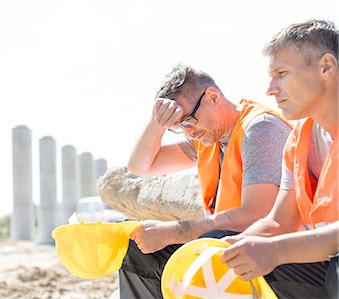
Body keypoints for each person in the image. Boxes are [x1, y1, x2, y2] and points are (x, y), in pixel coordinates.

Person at [120, 64, 293, 298]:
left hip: (281, 258)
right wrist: (156, 124)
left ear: (212, 97)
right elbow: (140, 166)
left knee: (210, 242)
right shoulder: (205, 140)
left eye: (189, 121)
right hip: (229, 246)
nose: (189, 133)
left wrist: (176, 231)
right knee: (136, 244)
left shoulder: (261, 129)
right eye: (179, 127)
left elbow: (257, 216)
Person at [221, 19, 338, 299]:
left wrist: (274, 251)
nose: (270, 89)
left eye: (281, 73)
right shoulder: (298, 140)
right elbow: (279, 223)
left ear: (326, 67)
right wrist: (232, 247)